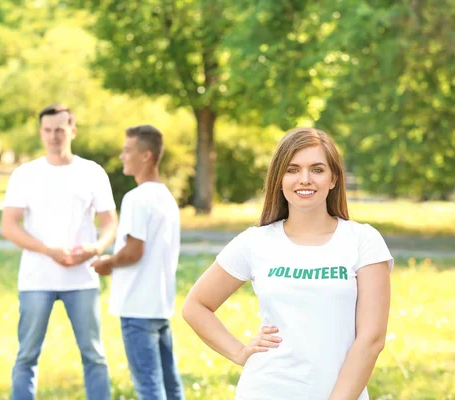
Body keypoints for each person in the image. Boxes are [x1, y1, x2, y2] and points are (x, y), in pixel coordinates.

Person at [182, 128, 393, 400]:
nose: (304, 179)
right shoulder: (255, 241)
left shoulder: (362, 240)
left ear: (333, 179)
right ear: (279, 178)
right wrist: (239, 352)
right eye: (292, 170)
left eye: (317, 170)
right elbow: (195, 306)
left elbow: (372, 340)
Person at [1, 104, 118, 400]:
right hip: (36, 279)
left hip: (81, 279)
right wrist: (47, 250)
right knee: (27, 356)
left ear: (72, 131)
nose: (54, 136)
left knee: (94, 355)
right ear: (41, 133)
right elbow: (10, 226)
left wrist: (95, 248)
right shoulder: (25, 174)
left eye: (60, 130)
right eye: (48, 130)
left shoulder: (92, 172)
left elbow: (109, 223)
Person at [92, 125, 185, 400]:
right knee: (171, 386)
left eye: (127, 150)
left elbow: (134, 251)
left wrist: (107, 263)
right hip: (159, 307)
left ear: (146, 156)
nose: (122, 156)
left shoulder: (136, 198)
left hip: (136, 308)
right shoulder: (166, 198)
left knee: (149, 389)